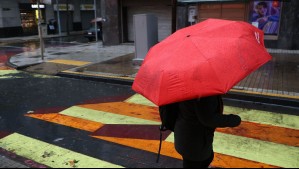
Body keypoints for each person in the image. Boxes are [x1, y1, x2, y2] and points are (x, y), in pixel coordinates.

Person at [174, 95, 241, 168]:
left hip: (186, 135)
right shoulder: (203, 93)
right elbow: (209, 119)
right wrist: (234, 120)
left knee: (202, 159)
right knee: (197, 162)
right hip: (194, 141)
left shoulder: (188, 88)